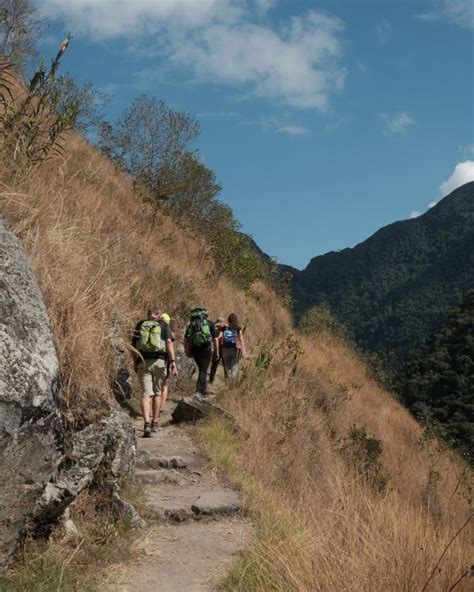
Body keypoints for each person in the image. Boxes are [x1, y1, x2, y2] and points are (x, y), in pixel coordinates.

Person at [131, 307, 178, 437]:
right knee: (157, 392)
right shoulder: (164, 324)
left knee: (146, 394)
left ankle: (146, 423)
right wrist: (173, 362)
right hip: (160, 362)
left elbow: (133, 347)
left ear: (148, 314)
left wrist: (135, 362)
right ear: (159, 315)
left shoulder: (140, 324)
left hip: (143, 362)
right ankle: (154, 423)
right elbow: (169, 343)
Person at [184, 307, 219, 400]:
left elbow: (186, 339)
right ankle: (199, 392)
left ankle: (203, 391)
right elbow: (215, 339)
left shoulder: (191, 324)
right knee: (203, 370)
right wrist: (216, 351)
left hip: (194, 349)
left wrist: (187, 351)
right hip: (205, 350)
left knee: (201, 369)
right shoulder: (209, 323)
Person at [221, 313, 246, 382]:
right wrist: (243, 351)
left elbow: (217, 327)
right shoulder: (238, 329)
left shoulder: (224, 328)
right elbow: (241, 340)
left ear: (228, 321)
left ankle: (227, 383)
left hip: (225, 350)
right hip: (235, 350)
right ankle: (232, 385)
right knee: (234, 368)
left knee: (227, 368)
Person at [159, 312, 175, 416]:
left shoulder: (153, 328)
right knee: (164, 385)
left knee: (153, 385)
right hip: (165, 360)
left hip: (152, 359)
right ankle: (160, 409)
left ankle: (152, 406)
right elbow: (170, 347)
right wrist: (173, 362)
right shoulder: (170, 333)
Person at [209, 316, 228, 384]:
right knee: (225, 366)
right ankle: (227, 381)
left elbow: (214, 339)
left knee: (214, 364)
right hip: (226, 349)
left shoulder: (216, 330)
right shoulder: (227, 329)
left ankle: (211, 379)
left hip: (218, 348)